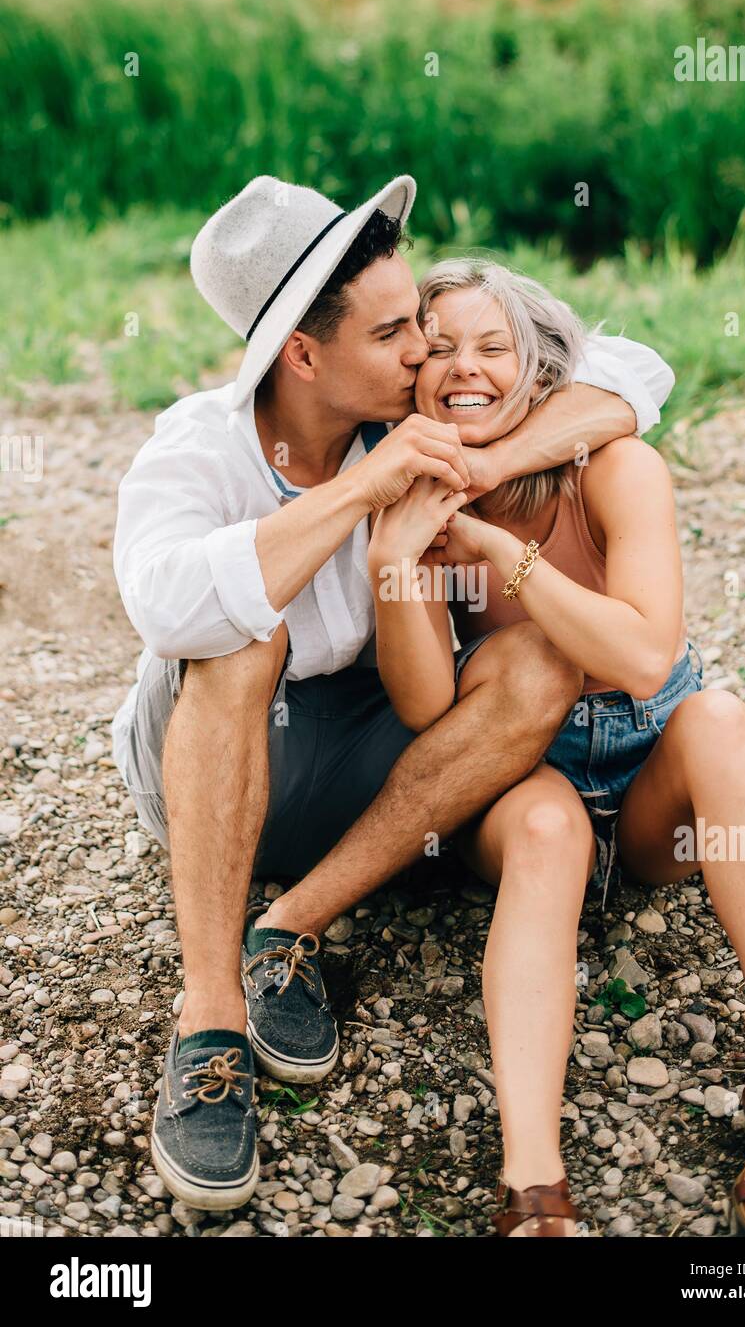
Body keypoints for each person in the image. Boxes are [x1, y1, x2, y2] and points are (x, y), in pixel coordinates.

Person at [110, 174, 675, 1210]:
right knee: (239, 632)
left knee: (536, 662)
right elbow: (162, 606)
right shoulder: (202, 443)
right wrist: (360, 498)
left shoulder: (403, 414)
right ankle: (210, 1020)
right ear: (303, 355)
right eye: (395, 332)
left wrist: (493, 454)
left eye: (418, 318)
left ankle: (287, 924)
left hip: (365, 764)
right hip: (213, 766)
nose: (423, 350)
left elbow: (634, 371)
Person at [367, 258, 745, 1238]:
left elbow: (638, 654)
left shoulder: (615, 467)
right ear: (411, 374)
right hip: (524, 778)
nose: (465, 369)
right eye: (440, 349)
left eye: (493, 347)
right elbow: (423, 709)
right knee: (544, 825)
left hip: (652, 764)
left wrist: (503, 555)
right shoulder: (409, 494)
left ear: (540, 366)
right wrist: (393, 561)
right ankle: (532, 1183)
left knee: (719, 719)